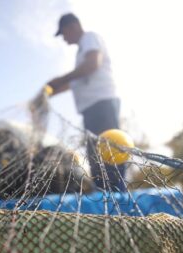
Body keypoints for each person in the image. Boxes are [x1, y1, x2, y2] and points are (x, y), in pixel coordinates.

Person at [46, 13, 126, 192]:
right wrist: (50, 92)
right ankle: (105, 198)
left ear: (72, 27)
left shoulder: (89, 38)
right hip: (91, 111)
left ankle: (118, 201)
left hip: (102, 105)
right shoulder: (81, 50)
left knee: (109, 155)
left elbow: (91, 65)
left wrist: (59, 79)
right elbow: (73, 82)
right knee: (95, 158)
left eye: (64, 34)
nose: (64, 39)